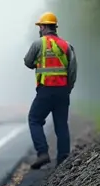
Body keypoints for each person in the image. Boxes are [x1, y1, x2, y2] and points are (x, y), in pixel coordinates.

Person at [24, 11, 77, 169]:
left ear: (45, 27)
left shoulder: (38, 44)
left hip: (45, 90)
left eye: (40, 26)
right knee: (61, 125)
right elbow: (72, 71)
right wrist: (68, 88)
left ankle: (43, 153)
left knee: (34, 119)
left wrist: (36, 64)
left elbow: (27, 62)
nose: (39, 29)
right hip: (62, 91)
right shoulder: (67, 45)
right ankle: (63, 160)